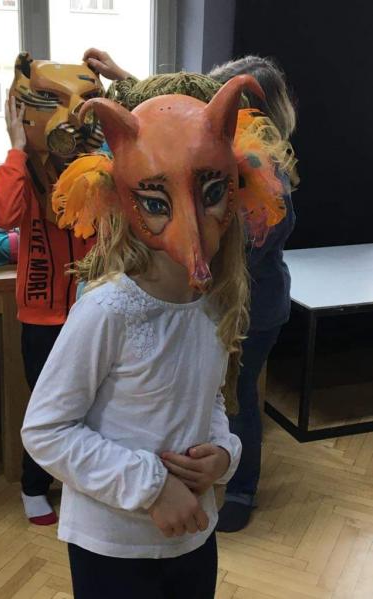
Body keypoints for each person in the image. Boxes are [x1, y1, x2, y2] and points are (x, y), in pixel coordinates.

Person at [21, 69, 290, 597]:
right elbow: (47, 430)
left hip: (192, 536)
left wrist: (223, 452)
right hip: (113, 546)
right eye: (157, 201)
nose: (193, 229)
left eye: (211, 194)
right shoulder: (107, 312)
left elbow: (208, 399)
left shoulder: (212, 302)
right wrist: (151, 487)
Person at [0, 52, 103, 525]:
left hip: (93, 310)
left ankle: (82, 481)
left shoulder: (94, 169)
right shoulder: (25, 173)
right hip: (43, 315)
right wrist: (17, 149)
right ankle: (34, 486)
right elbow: (1, 214)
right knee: (47, 405)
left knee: (92, 403)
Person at [208, 55, 298, 532]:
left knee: (238, 397)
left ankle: (241, 491)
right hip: (233, 306)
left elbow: (245, 253)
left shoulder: (266, 172)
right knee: (220, 394)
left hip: (254, 311)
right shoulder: (236, 158)